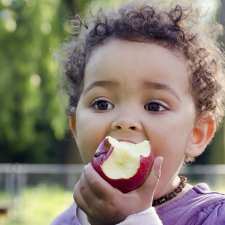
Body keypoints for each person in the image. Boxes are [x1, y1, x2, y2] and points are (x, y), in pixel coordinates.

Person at [51, 0, 225, 224]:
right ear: (75, 127)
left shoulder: (213, 218)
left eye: (154, 106)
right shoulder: (65, 222)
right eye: (102, 104)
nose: (125, 122)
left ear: (197, 133)